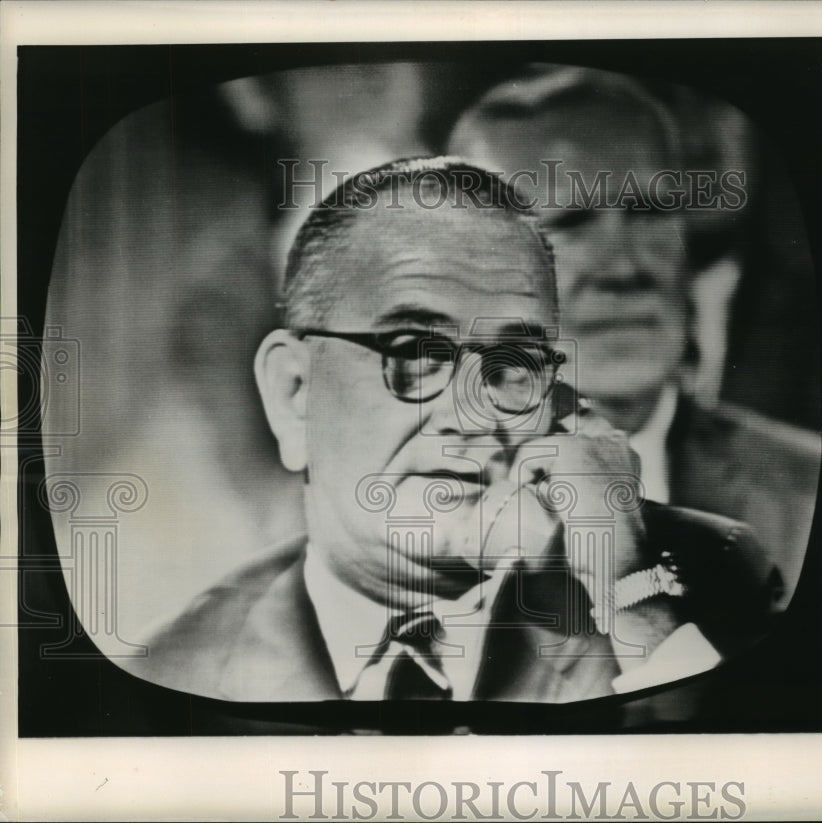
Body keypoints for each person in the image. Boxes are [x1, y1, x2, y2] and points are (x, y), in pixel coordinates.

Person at [131, 158, 777, 710]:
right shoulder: (168, 676)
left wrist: (630, 598)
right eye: (415, 350)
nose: (472, 412)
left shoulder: (716, 575)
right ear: (293, 393)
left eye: (513, 365)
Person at [446, 67, 822, 608]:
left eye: (650, 213)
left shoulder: (812, 487)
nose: (625, 268)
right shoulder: (408, 515)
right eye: (571, 223)